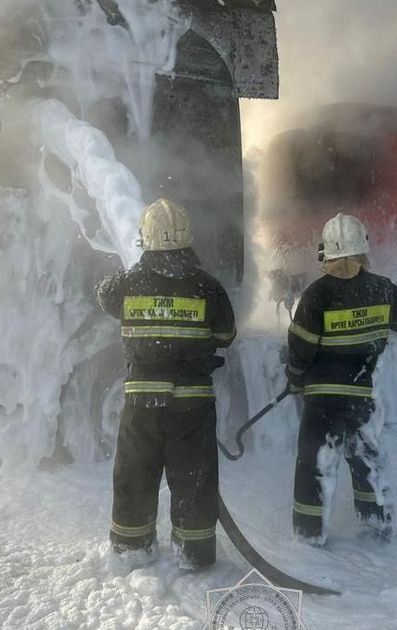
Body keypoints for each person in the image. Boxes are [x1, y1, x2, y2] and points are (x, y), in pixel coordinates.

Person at [96, 198, 236, 569]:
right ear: (188, 238)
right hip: (192, 404)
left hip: (142, 403)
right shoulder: (209, 288)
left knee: (135, 474)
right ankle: (194, 553)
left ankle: (131, 548)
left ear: (146, 240)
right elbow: (226, 335)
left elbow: (103, 295)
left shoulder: (126, 286)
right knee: (194, 478)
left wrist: (139, 279)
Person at [286, 213, 397, 546]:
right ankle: (377, 521)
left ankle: (310, 533)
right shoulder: (382, 288)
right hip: (361, 394)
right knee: (365, 459)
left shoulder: (317, 295)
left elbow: (301, 345)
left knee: (315, 464)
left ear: (325, 252)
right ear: (363, 249)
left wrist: (295, 377)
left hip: (322, 400)